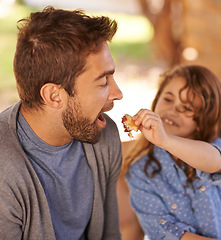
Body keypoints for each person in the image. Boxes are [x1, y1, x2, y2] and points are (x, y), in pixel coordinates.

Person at [0, 6, 123, 240]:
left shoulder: (104, 137)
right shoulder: (4, 174)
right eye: (103, 81)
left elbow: (110, 234)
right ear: (55, 96)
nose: (117, 93)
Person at [124, 65, 221, 240]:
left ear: (203, 120)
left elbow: (216, 162)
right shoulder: (140, 172)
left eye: (187, 108)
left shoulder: (213, 148)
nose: (174, 110)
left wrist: (166, 141)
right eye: (168, 99)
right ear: (156, 101)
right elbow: (163, 231)